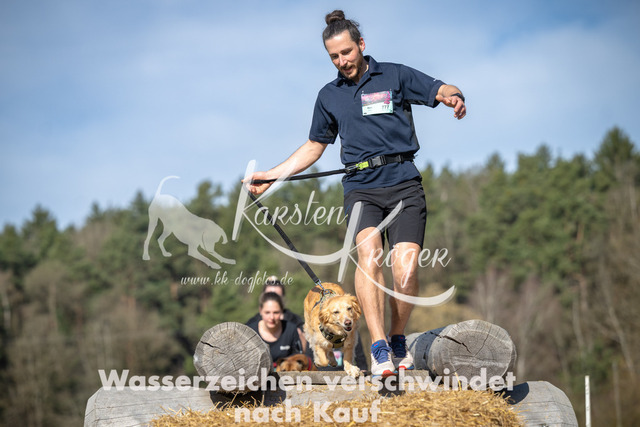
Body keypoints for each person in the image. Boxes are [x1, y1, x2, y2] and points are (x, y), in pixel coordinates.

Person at [245, 10, 466, 377]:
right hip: (361, 187)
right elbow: (314, 147)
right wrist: (272, 176)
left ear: (361, 45)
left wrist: (453, 96)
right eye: (334, 56)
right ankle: (378, 346)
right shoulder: (329, 96)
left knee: (406, 270)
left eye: (346, 52)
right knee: (370, 256)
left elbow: (439, 88)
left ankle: (397, 338)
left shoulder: (394, 75)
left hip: (404, 181)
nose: (342, 61)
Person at [246, 291, 304, 367]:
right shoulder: (250, 331)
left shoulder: (291, 329)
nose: (271, 317)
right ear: (260, 311)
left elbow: (299, 359)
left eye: (276, 312)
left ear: (282, 311)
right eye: (267, 312)